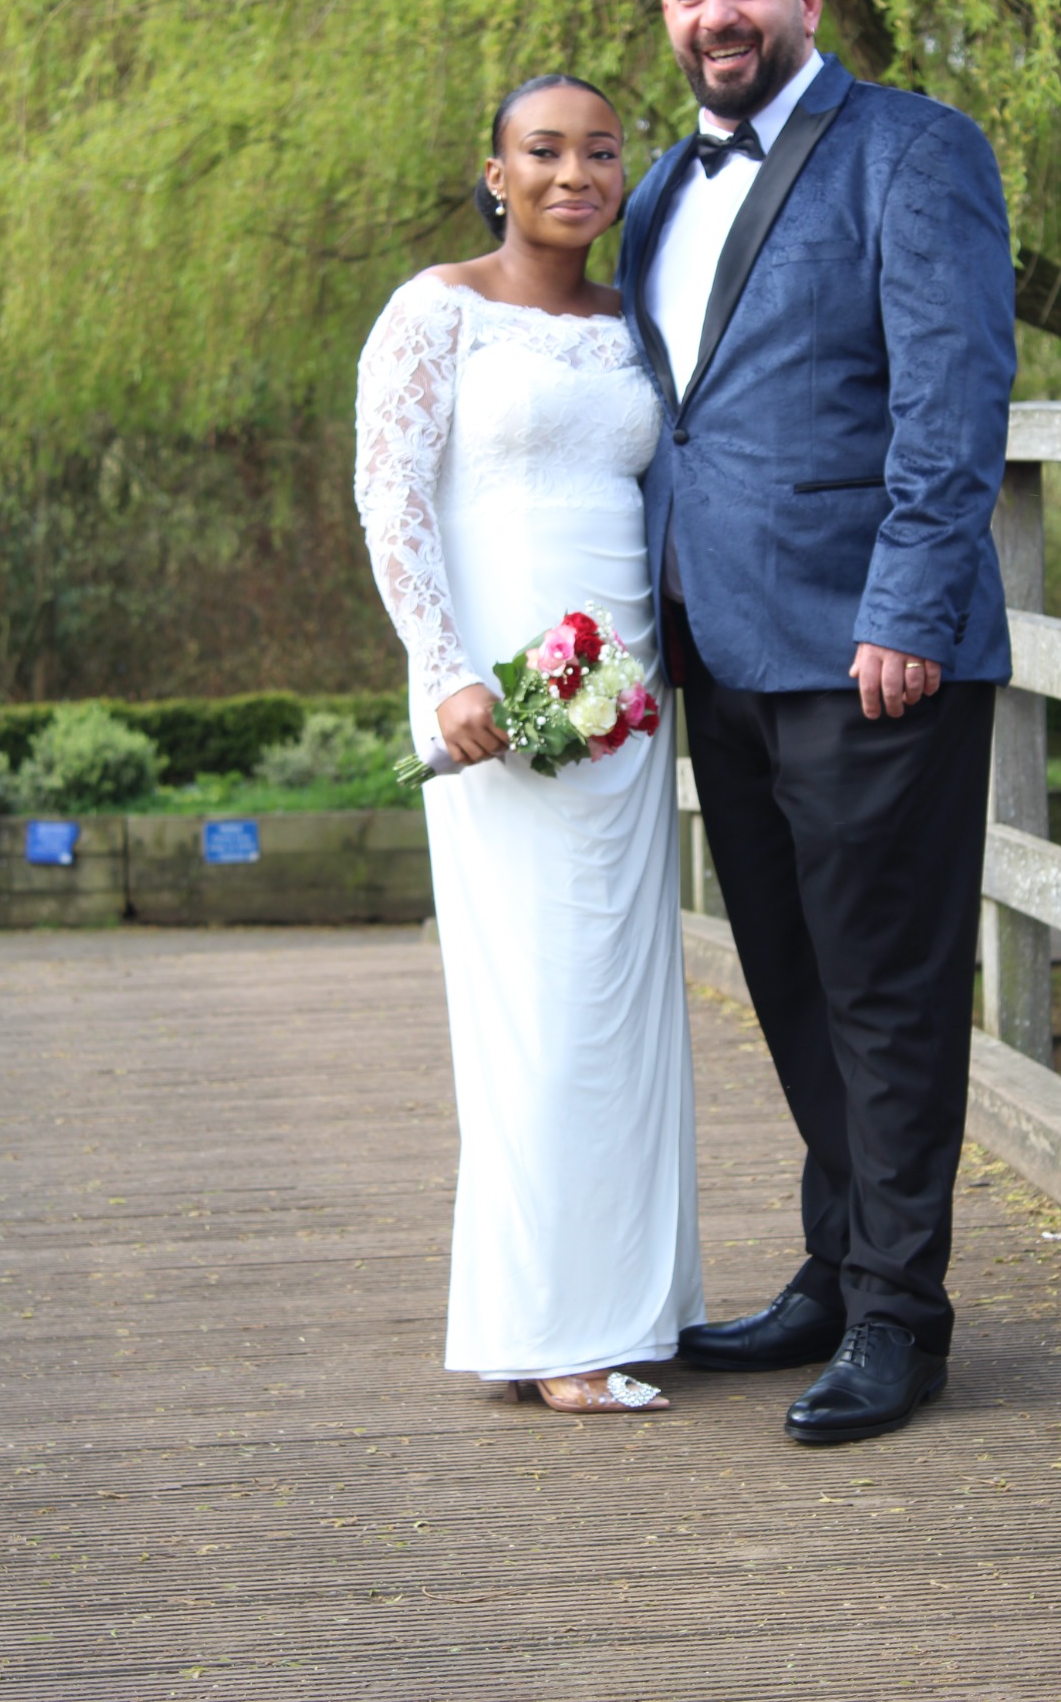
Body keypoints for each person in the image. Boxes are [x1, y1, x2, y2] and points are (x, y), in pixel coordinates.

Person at [617, 0, 1016, 1445]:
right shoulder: (660, 187)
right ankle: (838, 1270)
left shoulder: (910, 150)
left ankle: (900, 1319)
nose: (715, 15)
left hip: (871, 654)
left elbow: (951, 393)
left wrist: (909, 608)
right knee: (788, 978)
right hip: (719, 650)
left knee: (886, 991)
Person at [354, 74, 704, 1414]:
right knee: (535, 1005)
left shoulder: (634, 327)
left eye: (600, 151)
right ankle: (547, 1328)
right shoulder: (434, 309)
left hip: (620, 695)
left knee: (621, 997)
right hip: (491, 691)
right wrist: (443, 670)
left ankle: (629, 1307)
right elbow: (390, 494)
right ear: (495, 173)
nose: (575, 174)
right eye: (543, 151)